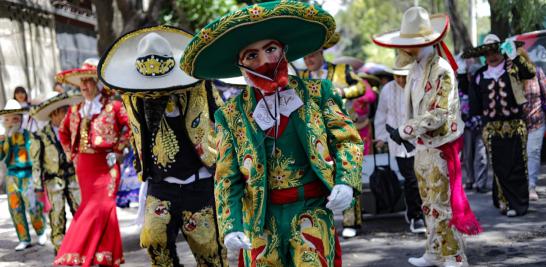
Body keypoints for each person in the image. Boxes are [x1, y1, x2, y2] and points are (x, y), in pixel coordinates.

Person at [181, 1, 363, 266]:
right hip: (259, 218)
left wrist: (346, 180)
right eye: (252, 55)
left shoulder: (318, 93)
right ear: (240, 66)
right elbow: (226, 176)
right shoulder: (230, 115)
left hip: (311, 208)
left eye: (270, 49)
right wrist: (231, 224)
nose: (265, 62)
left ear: (284, 51)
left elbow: (347, 140)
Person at [98, 25, 228, 266]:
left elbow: (223, 120)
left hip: (198, 182)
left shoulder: (201, 86)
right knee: (154, 241)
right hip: (160, 184)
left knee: (209, 249)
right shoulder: (133, 97)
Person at [373, 6, 482, 267]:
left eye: (406, 44)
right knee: (428, 203)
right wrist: (406, 133)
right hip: (422, 147)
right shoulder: (415, 69)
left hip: (440, 145)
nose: (401, 50)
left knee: (443, 204)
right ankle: (434, 251)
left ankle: (455, 256)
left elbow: (439, 113)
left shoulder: (441, 69)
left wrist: (403, 131)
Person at [53, 58, 130, 267]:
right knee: (94, 207)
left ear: (97, 83)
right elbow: (63, 132)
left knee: (104, 206)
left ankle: (76, 250)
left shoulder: (113, 106)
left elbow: (132, 126)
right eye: (82, 82)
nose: (84, 86)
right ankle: (103, 255)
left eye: (88, 81)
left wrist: (119, 148)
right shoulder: (76, 109)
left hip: (107, 164)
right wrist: (72, 154)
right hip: (85, 166)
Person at [301, 30, 369, 239]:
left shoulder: (342, 69)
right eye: (305, 56)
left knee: (347, 173)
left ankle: (351, 221)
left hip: (340, 130)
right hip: (315, 135)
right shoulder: (301, 77)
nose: (308, 59)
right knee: (319, 177)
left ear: (322, 52)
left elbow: (361, 86)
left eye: (312, 54)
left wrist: (342, 92)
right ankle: (322, 223)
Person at [463, 34, 536, 216]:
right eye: (488, 52)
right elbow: (474, 102)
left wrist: (515, 56)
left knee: (518, 164)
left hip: (515, 124)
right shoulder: (480, 75)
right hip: (492, 127)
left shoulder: (512, 67)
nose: (492, 56)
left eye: (495, 51)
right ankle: (504, 202)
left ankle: (518, 204)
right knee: (498, 166)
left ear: (501, 51)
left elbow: (530, 73)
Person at [29, 91, 83, 254]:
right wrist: (38, 187)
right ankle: (61, 248)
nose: (67, 113)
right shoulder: (40, 135)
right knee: (57, 215)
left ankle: (83, 243)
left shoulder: (73, 130)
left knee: (80, 211)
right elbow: (36, 163)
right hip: (53, 181)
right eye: (63, 111)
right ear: (54, 114)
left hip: (73, 177)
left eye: (67, 110)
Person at [374, 67, 426, 234]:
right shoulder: (388, 89)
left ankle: (417, 213)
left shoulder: (419, 85)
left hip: (419, 141)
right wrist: (381, 137)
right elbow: (381, 113)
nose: (401, 80)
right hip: (396, 141)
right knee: (411, 178)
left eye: (404, 76)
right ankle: (416, 216)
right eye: (398, 76)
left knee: (419, 177)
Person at [0, 99, 47, 251]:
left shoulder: (28, 135)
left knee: (32, 206)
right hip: (11, 175)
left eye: (14, 118)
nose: (10, 122)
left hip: (27, 174)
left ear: (20, 119)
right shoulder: (3, 138)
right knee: (15, 207)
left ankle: (41, 231)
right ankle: (23, 238)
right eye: (7, 119)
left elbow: (36, 156)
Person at [456, 58, 489, 193]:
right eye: (470, 74)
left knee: (481, 155)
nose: (472, 76)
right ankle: (470, 179)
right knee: (468, 155)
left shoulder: (484, 85)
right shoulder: (462, 88)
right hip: (467, 126)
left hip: (481, 125)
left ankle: (480, 183)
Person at [523, 65, 546, 201]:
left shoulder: (536, 72)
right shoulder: (509, 74)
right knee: (521, 155)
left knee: (533, 152)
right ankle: (521, 186)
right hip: (517, 124)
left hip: (537, 120)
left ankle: (531, 186)